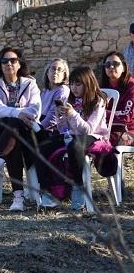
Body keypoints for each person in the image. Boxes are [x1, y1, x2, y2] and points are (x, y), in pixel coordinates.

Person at [33, 67, 108, 210]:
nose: (74, 88)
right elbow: (63, 129)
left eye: (78, 84)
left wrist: (73, 114)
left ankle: (78, 186)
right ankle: (47, 191)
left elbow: (88, 130)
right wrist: (61, 116)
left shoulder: (98, 101)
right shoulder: (71, 100)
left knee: (75, 146)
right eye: (72, 84)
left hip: (93, 136)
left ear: (88, 83)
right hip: (71, 135)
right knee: (41, 148)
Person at [0, 47, 41, 211]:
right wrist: (18, 113)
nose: (9, 64)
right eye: (4, 61)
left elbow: (35, 110)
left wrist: (15, 115)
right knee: (13, 125)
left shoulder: (30, 84)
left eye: (13, 60)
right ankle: (18, 198)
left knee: (15, 136)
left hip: (23, 133)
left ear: (19, 63)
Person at [99, 51, 134, 146]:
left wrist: (102, 113)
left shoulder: (132, 86)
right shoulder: (100, 87)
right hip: (104, 128)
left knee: (109, 143)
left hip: (128, 131)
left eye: (115, 64)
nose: (111, 67)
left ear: (124, 67)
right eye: (107, 64)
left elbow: (127, 115)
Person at [39, 59, 70, 133]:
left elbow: (52, 119)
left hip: (51, 129)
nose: (55, 72)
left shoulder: (62, 91)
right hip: (40, 121)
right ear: (47, 72)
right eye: (53, 68)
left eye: (59, 70)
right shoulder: (45, 90)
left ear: (64, 75)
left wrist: (36, 128)